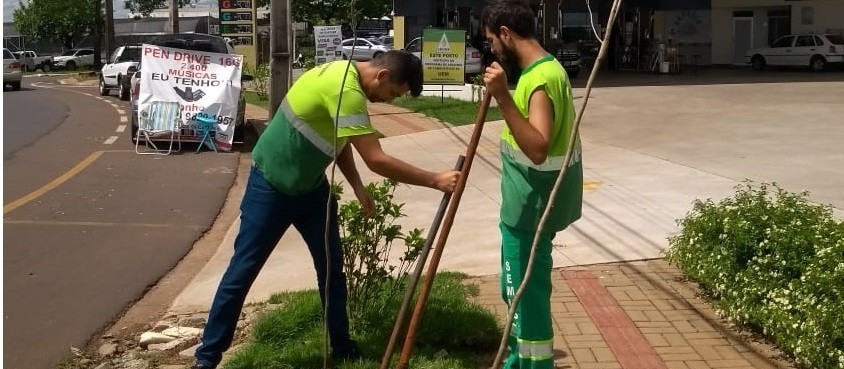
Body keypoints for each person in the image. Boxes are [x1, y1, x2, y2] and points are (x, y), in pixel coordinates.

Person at [191, 51, 461, 369]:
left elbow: (338, 140)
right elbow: (376, 159)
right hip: (271, 187)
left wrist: (358, 188)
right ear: (383, 75)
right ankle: (206, 359)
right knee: (242, 272)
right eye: (393, 94)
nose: (389, 101)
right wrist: (435, 179)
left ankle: (342, 347)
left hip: (312, 190)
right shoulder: (344, 90)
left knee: (332, 270)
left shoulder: (343, 72)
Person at [481, 0, 583, 368]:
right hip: (529, 206)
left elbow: (538, 147)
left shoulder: (539, 79)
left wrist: (503, 97)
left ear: (506, 34)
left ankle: (534, 364)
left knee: (526, 294)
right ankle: (518, 359)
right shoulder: (545, 69)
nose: (492, 47)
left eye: (492, 39)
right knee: (519, 290)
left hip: (530, 210)